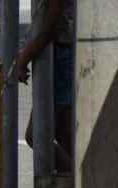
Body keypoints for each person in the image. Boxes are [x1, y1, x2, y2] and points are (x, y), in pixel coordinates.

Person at [16, 0, 75, 175]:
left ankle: (77, 180)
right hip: (64, 58)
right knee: (65, 136)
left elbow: (49, 30)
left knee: (36, 135)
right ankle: (76, 184)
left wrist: (24, 58)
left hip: (61, 61)